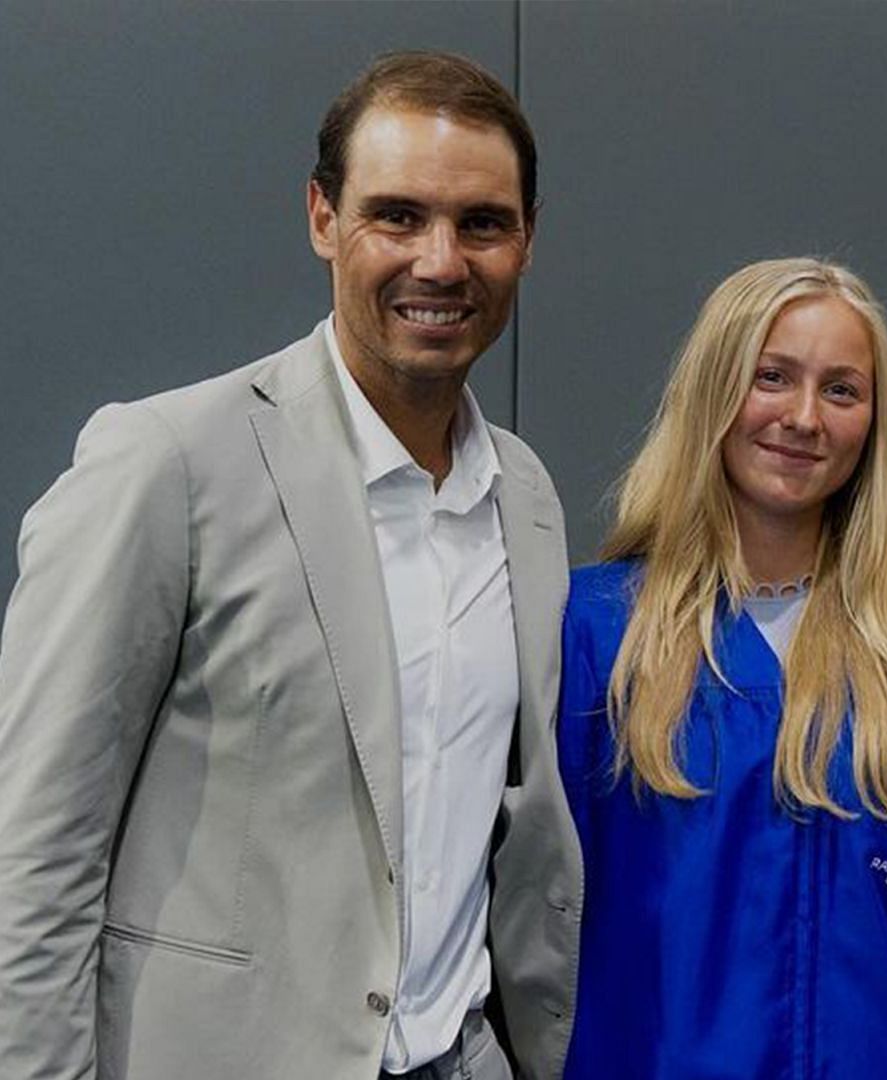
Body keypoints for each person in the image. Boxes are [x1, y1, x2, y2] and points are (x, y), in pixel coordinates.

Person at [0, 52, 579, 1080]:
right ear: (322, 218)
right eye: (396, 216)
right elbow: (33, 856)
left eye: (481, 224)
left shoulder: (524, 497)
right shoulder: (168, 464)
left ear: (527, 240)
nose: (440, 262)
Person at [556, 258, 887, 1079]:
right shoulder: (595, 632)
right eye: (771, 378)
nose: (804, 417)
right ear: (715, 388)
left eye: (842, 390)